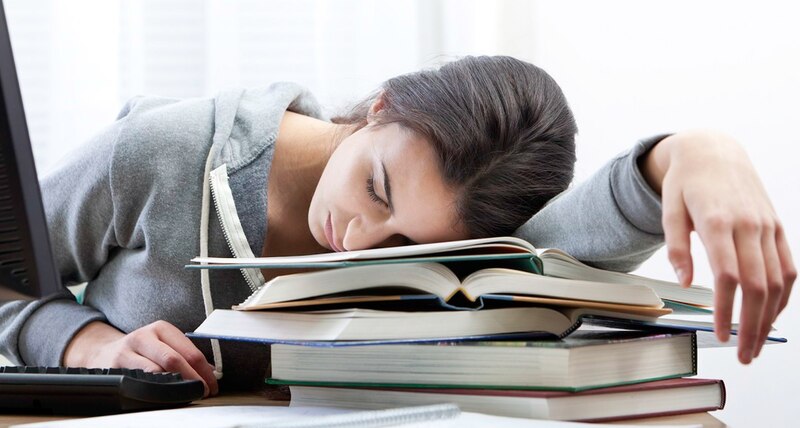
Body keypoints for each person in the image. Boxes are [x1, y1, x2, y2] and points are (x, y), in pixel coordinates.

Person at [0, 56, 794, 397]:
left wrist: (695, 151)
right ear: (382, 104)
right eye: (375, 189)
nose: (358, 242)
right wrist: (88, 344)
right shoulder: (161, 152)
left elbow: (566, 244)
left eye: (408, 246)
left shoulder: (450, 246)